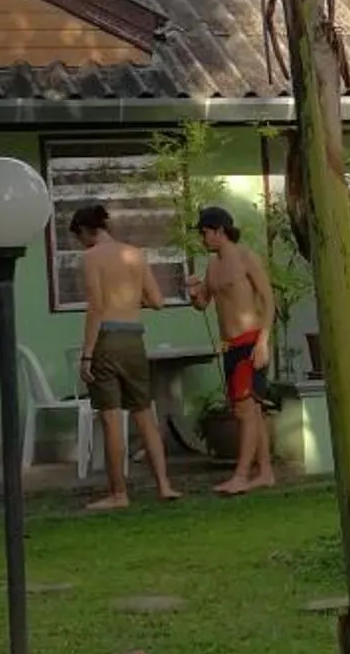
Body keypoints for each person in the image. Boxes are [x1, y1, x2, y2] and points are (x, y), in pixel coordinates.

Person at [72, 201, 177, 511]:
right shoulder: (136, 254)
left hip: (107, 339)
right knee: (144, 412)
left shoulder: (91, 258)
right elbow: (157, 301)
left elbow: (96, 307)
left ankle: (119, 493)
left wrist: (87, 354)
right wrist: (130, 302)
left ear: (85, 231)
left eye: (78, 237)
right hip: (134, 339)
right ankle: (165, 485)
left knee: (111, 417)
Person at [188, 205, 279, 496]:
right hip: (229, 345)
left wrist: (263, 342)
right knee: (250, 412)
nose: (203, 240)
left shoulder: (246, 258)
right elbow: (203, 303)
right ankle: (264, 472)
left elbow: (269, 302)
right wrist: (193, 291)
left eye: (205, 233)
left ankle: (241, 475)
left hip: (251, 341)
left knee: (245, 411)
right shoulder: (212, 266)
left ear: (219, 231)